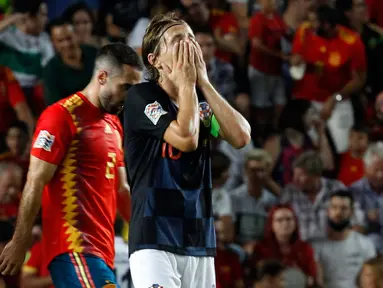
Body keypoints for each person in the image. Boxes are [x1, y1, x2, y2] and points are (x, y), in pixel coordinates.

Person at [124, 13, 251, 288]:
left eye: (191, 38)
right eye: (177, 40)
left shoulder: (202, 101)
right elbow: (186, 138)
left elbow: (241, 136)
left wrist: (203, 82)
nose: (189, 45)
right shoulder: (142, 96)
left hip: (199, 239)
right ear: (154, 60)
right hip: (153, 238)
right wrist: (185, 84)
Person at [0, 43, 142, 287]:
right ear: (102, 77)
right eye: (125, 87)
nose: (129, 96)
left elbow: (121, 190)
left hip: (102, 252)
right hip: (73, 248)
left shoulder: (114, 125)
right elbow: (36, 180)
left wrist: (148, 235)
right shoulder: (61, 116)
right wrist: (19, 240)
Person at [311, 190, 376, 288]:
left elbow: (372, 278)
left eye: (344, 208)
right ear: (328, 211)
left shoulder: (365, 244)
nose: (338, 212)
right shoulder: (315, 244)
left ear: (351, 212)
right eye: (334, 207)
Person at [252, 204, 317, 287]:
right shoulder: (260, 248)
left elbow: (311, 277)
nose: (285, 223)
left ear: (295, 223)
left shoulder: (306, 248)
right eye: (279, 220)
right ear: (271, 224)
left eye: (289, 219)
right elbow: (255, 279)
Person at [44, 18, 98, 105]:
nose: (67, 44)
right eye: (60, 40)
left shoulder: (95, 54)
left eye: (69, 38)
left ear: (76, 35)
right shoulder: (51, 69)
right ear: (53, 42)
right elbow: (56, 106)